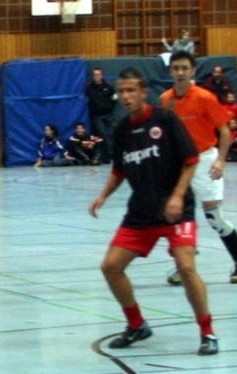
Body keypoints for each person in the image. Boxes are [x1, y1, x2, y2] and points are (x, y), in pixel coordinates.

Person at [89, 68, 217, 356]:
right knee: (110, 267)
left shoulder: (165, 120)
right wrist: (103, 196)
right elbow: (119, 171)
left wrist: (177, 196)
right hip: (141, 213)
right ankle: (137, 325)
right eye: (121, 91)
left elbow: (190, 160)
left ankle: (207, 331)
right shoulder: (122, 130)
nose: (125, 96)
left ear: (143, 92)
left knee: (185, 267)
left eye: (130, 90)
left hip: (176, 211)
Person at [161, 51, 237, 287]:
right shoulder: (165, 100)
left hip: (204, 160)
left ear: (192, 71)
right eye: (176, 68)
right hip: (180, 165)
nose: (180, 73)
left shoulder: (205, 97)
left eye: (184, 68)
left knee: (214, 217)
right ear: (170, 71)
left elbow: (224, 130)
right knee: (179, 218)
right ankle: (186, 266)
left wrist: (220, 160)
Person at [86, 68, 117, 156]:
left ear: (101, 76)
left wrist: (109, 108)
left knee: (111, 134)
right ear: (93, 76)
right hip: (97, 116)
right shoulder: (89, 88)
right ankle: (107, 154)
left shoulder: (109, 87)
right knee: (102, 134)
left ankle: (112, 154)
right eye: (95, 75)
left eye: (98, 74)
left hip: (108, 115)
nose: (97, 76)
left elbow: (114, 99)